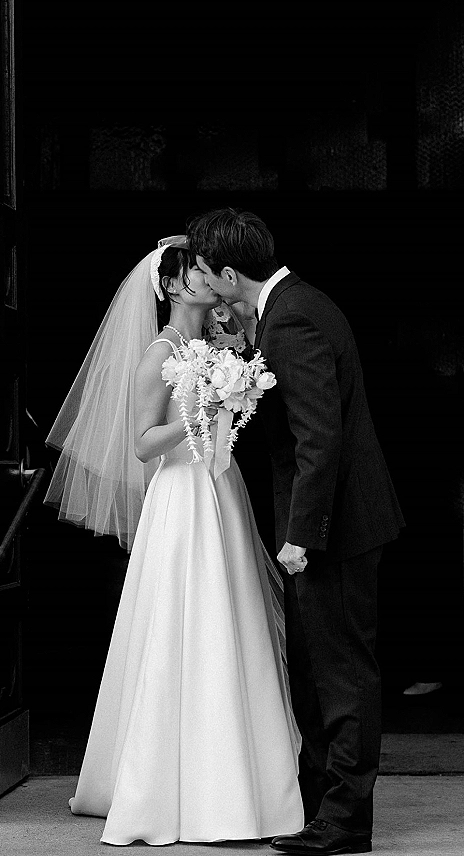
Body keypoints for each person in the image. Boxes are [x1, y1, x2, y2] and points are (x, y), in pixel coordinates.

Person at [44, 236, 304, 845]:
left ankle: (246, 779)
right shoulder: (159, 352)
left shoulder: (218, 345)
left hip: (222, 491)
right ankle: (168, 784)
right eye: (192, 273)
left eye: (205, 271)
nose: (205, 279)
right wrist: (202, 414)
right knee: (184, 624)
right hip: (181, 495)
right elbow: (142, 443)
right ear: (170, 287)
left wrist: (228, 394)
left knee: (233, 615)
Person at [187, 208, 405, 856]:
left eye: (204, 270)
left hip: (337, 530)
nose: (201, 282)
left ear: (230, 273)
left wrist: (302, 537)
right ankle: (321, 809)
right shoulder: (288, 307)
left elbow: (320, 439)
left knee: (343, 675)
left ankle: (344, 823)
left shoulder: (293, 318)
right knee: (317, 670)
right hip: (335, 524)